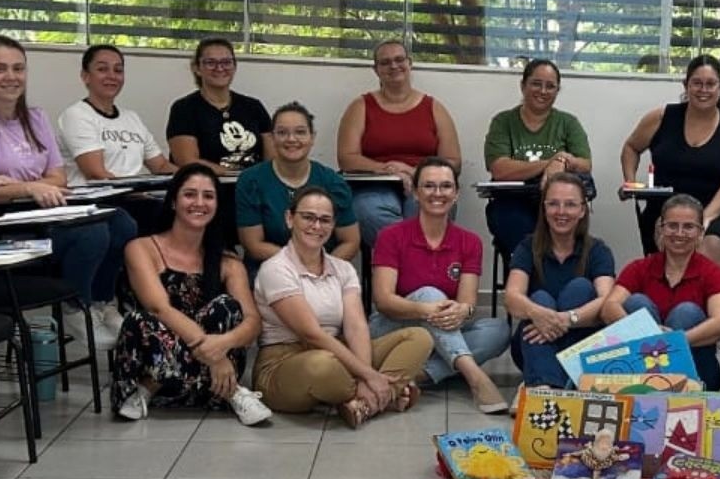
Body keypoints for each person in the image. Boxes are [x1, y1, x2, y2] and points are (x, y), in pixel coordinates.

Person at [0, 34, 136, 338]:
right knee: (91, 233)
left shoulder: (35, 117)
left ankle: (102, 302)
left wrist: (17, 184)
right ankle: (75, 306)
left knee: (122, 222)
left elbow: (59, 178)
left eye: (18, 68)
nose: (11, 76)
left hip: (40, 214)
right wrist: (30, 188)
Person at [253, 185, 433, 428]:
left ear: (333, 225)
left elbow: (356, 327)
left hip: (338, 353)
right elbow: (311, 334)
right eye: (308, 217)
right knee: (322, 365)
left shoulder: (343, 268)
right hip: (286, 362)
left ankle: (363, 402)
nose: (316, 226)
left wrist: (365, 374)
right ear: (289, 218)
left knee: (419, 337)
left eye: (325, 220)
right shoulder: (275, 269)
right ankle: (386, 393)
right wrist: (367, 375)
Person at [112, 164, 270, 425]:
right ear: (173, 202)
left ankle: (213, 388)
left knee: (226, 306)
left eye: (208, 196)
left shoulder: (228, 262)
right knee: (140, 320)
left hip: (211, 378)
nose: (199, 203)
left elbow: (253, 322)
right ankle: (154, 386)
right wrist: (215, 358)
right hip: (160, 366)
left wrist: (224, 343)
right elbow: (159, 308)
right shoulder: (141, 248)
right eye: (189, 194)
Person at [367, 158, 512, 413]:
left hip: (443, 325)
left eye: (445, 186)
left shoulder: (470, 242)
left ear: (456, 194)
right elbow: (384, 301)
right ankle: (476, 378)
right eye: (429, 186)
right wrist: (427, 308)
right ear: (415, 192)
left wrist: (462, 310)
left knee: (498, 330)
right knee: (430, 294)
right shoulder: (391, 236)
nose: (438, 193)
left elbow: (467, 303)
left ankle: (414, 376)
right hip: (392, 328)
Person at [619, 54, 720, 266]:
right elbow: (631, 148)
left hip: (718, 213)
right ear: (686, 85)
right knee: (669, 236)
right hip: (665, 210)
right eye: (697, 83)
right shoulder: (661, 117)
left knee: (709, 245)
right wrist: (631, 183)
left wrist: (702, 220)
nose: (703, 90)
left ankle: (716, 289)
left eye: (710, 84)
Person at [336, 40, 463, 246]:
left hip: (424, 184)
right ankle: (412, 259)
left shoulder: (434, 107)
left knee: (433, 206)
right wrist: (388, 169)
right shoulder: (360, 107)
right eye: (385, 62)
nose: (393, 66)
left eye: (399, 59)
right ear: (376, 70)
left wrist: (414, 172)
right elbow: (346, 159)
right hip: (374, 187)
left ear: (409, 63)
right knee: (368, 211)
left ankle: (404, 260)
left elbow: (453, 161)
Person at [600, 193, 720, 389]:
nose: (679, 233)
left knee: (686, 312)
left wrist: (673, 341)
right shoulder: (639, 268)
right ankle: (656, 383)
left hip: (696, 371)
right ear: (661, 229)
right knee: (637, 303)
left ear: (700, 233)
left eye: (688, 227)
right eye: (672, 225)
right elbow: (609, 308)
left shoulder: (713, 273)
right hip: (642, 369)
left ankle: (667, 385)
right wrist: (647, 333)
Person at [502, 173, 616, 389]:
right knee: (540, 299)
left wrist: (568, 319)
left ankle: (546, 385)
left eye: (570, 204)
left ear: (582, 210)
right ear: (544, 208)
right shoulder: (527, 247)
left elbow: (607, 300)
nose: (561, 211)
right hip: (532, 346)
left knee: (580, 288)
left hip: (582, 345)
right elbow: (511, 297)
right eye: (553, 204)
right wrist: (538, 313)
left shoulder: (598, 250)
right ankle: (550, 385)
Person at [481, 59, 594, 256]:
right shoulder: (503, 122)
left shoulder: (568, 123)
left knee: (564, 225)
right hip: (513, 203)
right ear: (523, 85)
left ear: (557, 91)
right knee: (518, 230)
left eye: (550, 86)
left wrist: (563, 162)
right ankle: (525, 272)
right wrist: (552, 162)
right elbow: (499, 168)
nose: (543, 91)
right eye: (536, 84)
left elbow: (585, 164)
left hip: (557, 202)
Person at [235, 102, 359, 267]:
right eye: (282, 133)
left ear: (312, 137)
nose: (291, 139)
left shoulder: (333, 182)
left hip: (324, 269)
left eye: (300, 132)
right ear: (272, 138)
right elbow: (253, 245)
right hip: (269, 268)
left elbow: (350, 241)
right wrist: (300, 264)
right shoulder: (251, 180)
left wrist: (322, 268)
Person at [56, 44, 174, 185]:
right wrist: (136, 191)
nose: (112, 76)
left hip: (135, 193)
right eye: (102, 69)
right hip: (100, 196)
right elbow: (97, 174)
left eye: (118, 70)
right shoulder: (76, 115)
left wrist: (191, 177)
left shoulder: (132, 118)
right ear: (85, 76)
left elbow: (161, 166)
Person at [165, 38, 274, 173]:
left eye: (226, 62)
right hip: (208, 184)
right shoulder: (183, 109)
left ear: (234, 66)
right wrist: (235, 176)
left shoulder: (254, 107)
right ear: (197, 68)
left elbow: (273, 159)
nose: (220, 68)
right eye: (211, 63)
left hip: (254, 184)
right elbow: (187, 162)